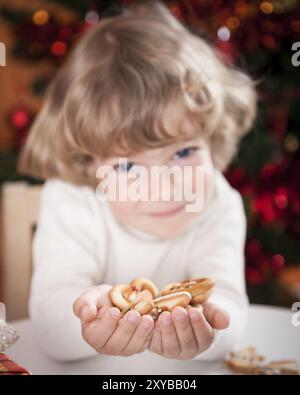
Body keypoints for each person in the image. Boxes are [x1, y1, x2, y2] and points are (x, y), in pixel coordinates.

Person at [18, 0, 257, 362]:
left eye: (182, 153)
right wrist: (87, 322)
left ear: (213, 136)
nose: (163, 187)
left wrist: (209, 325)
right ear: (89, 161)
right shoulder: (72, 200)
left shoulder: (219, 204)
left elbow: (230, 305)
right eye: (128, 167)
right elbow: (49, 326)